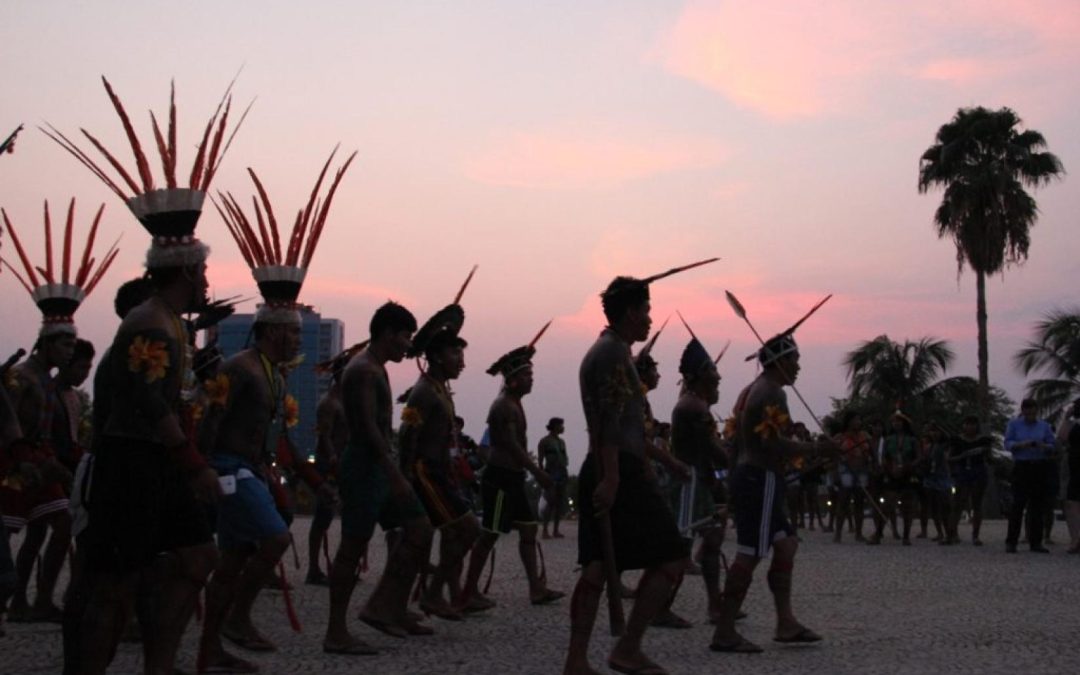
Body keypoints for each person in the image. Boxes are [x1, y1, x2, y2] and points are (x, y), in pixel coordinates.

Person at [199, 157, 351, 672]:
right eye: (287, 332)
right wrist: (202, 470)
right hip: (226, 469)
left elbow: (282, 437)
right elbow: (210, 422)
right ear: (266, 332)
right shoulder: (240, 368)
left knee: (238, 556)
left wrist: (311, 477)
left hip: (252, 470)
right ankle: (230, 623)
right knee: (276, 538)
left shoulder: (276, 374)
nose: (294, 338)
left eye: (295, 332)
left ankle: (220, 636)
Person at [563, 261, 715, 675]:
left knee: (597, 568)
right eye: (646, 310)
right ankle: (627, 648)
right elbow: (610, 421)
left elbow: (632, 428)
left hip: (622, 466)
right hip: (615, 470)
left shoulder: (614, 352)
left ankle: (576, 661)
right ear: (631, 311)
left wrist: (660, 463)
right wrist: (613, 477)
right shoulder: (611, 352)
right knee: (671, 557)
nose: (649, 318)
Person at [1, 199, 120, 624]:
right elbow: (9, 422)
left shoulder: (50, 383)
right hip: (16, 465)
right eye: (66, 345)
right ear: (48, 344)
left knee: (49, 527)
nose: (72, 351)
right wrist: (20, 460)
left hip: (42, 463)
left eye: (73, 345)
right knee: (18, 532)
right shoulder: (22, 377)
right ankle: (18, 600)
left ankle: (35, 599)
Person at [710, 329, 836, 654]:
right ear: (780, 361)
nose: (798, 367)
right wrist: (817, 449)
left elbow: (742, 442)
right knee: (750, 553)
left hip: (754, 477)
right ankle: (724, 631)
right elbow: (773, 443)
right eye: (794, 360)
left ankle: (785, 622)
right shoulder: (771, 393)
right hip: (759, 479)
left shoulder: (755, 389)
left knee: (787, 545)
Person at [460, 324, 564, 608]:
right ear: (514, 379)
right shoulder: (503, 406)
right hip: (500, 478)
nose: (532, 380)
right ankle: (468, 591)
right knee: (490, 534)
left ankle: (536, 589)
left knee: (529, 530)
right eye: (527, 375)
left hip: (514, 478)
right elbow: (510, 446)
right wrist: (539, 473)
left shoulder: (514, 403)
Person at [399, 280, 481, 620]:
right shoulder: (424, 392)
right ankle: (433, 594)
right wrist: (405, 481)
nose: (460, 360)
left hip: (441, 474)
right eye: (454, 353)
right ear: (435, 357)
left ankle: (441, 592)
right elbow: (407, 436)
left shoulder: (440, 389)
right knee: (469, 529)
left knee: (456, 532)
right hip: (425, 474)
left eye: (461, 353)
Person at [670, 333, 726, 623]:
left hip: (698, 479)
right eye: (713, 375)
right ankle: (660, 607)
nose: (718, 379)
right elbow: (712, 450)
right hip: (688, 483)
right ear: (700, 377)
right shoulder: (693, 407)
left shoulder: (696, 404)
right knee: (679, 549)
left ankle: (715, 605)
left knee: (713, 539)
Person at [306, 346, 356, 586]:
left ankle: (342, 566)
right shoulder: (329, 403)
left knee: (349, 518)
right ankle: (313, 568)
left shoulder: (348, 401)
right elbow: (324, 436)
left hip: (345, 463)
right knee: (323, 517)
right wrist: (334, 460)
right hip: (330, 465)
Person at [1004, 398, 1057, 553]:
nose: (1030, 414)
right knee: (1017, 505)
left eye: (1033, 411)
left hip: (1039, 466)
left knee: (1037, 506)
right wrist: (1021, 445)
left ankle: (1036, 542)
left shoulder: (1044, 426)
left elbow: (1052, 445)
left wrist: (1043, 446)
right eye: (1027, 411)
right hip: (1022, 466)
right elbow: (1007, 443)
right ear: (1023, 411)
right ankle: (1011, 542)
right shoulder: (1014, 425)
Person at [873, 412, 920, 546]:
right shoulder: (887, 440)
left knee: (907, 506)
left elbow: (919, 457)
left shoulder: (912, 440)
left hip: (907, 473)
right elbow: (883, 457)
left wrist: (908, 466)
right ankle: (878, 533)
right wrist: (889, 468)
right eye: (894, 422)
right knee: (887, 504)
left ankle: (906, 536)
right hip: (891, 473)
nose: (896, 424)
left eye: (899, 421)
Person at [947, 415, 993, 546]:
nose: (970, 427)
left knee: (977, 504)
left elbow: (989, 459)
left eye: (973, 424)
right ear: (963, 425)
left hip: (978, 472)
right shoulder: (957, 440)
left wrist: (985, 452)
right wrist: (962, 456)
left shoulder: (983, 441)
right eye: (967, 424)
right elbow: (949, 458)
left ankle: (975, 535)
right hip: (962, 472)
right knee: (957, 503)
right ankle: (952, 534)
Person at [831, 411, 871, 544]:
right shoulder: (840, 437)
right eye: (855, 419)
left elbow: (870, 453)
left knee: (859, 502)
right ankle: (838, 534)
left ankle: (858, 533)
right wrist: (835, 473)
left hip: (861, 471)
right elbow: (835, 457)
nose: (858, 422)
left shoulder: (865, 436)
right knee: (843, 501)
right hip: (845, 470)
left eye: (859, 419)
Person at [923, 422, 955, 544]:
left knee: (945, 507)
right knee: (934, 508)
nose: (934, 434)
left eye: (937, 431)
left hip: (942, 478)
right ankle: (940, 533)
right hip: (931, 477)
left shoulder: (945, 446)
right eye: (932, 431)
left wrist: (941, 427)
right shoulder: (929, 447)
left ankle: (948, 534)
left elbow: (951, 439)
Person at [538, 417, 569, 539]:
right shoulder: (544, 441)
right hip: (551, 472)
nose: (562, 428)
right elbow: (540, 460)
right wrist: (541, 474)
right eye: (561, 425)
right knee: (550, 501)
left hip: (562, 472)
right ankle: (545, 530)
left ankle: (556, 530)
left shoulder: (562, 442)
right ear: (555, 426)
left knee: (559, 503)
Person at [1062, 399, 1080, 554]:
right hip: (1075, 468)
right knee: (1072, 503)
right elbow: (1062, 438)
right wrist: (1067, 418)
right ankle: (1075, 539)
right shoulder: (1074, 424)